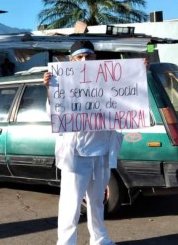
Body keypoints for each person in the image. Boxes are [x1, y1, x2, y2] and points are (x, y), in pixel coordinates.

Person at [43, 40, 123, 245]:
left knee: (97, 202)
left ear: (95, 58)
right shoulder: (62, 82)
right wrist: (49, 90)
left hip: (102, 151)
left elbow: (129, 99)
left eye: (88, 56)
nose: (84, 60)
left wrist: (139, 75)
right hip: (76, 155)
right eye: (79, 57)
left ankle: (100, 238)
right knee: (72, 204)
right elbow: (54, 116)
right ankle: (66, 242)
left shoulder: (109, 80)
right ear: (71, 60)